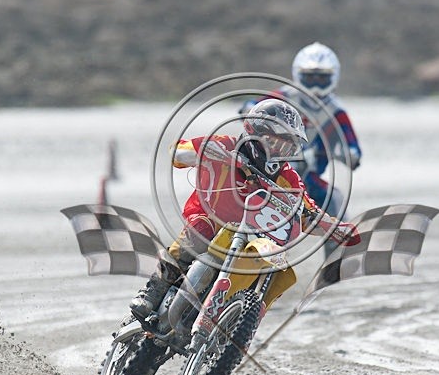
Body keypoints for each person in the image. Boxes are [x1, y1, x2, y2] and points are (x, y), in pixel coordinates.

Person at [130, 99, 360, 321]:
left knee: (271, 256)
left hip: (253, 231)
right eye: (276, 142)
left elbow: (307, 208)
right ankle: (152, 292)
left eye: (288, 145)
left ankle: (237, 317)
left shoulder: (288, 176)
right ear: (255, 133)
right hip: (210, 216)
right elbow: (177, 152)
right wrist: (206, 153)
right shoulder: (226, 144)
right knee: (199, 233)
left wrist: (336, 227)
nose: (281, 150)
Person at [241, 42, 362, 221]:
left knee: (335, 201)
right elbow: (254, 105)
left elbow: (353, 146)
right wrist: (249, 109)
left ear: (333, 77)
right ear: (298, 75)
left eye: (321, 79)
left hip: (308, 177)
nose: (315, 85)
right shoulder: (283, 97)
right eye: (310, 78)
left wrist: (350, 155)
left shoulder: (337, 112)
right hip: (267, 170)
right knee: (239, 192)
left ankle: (337, 248)